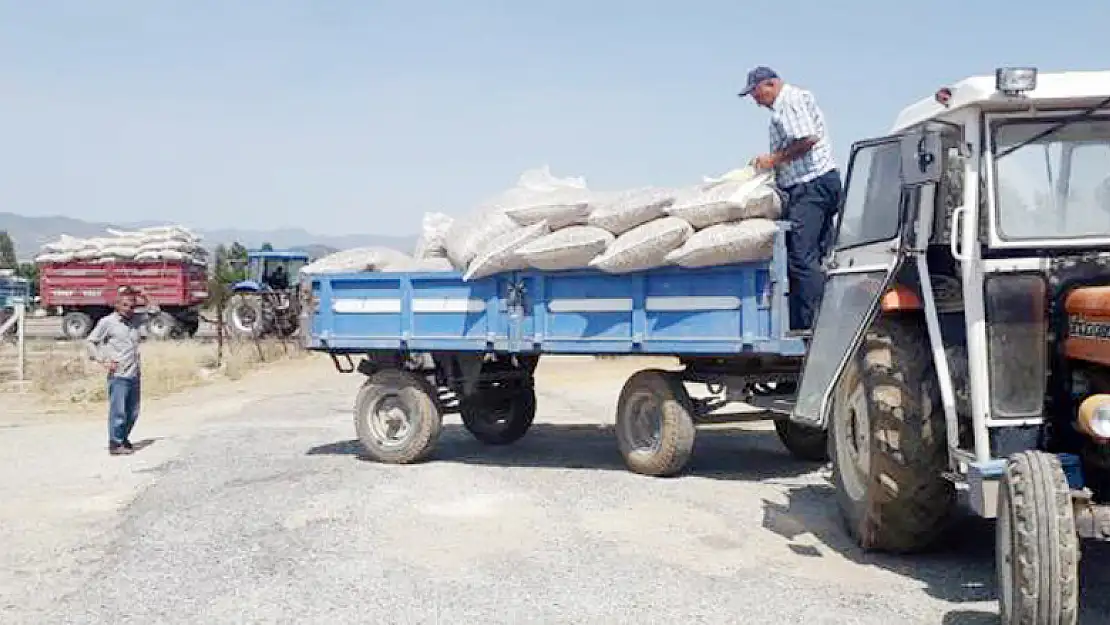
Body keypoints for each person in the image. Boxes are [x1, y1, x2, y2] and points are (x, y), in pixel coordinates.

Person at [739, 66, 843, 333]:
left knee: (801, 257)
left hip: (810, 187)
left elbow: (807, 139)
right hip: (819, 185)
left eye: (755, 92)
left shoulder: (790, 101)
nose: (754, 99)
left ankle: (814, 327)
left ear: (770, 84)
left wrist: (773, 159)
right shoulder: (792, 101)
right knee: (818, 257)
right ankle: (817, 320)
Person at [86, 286, 149, 456]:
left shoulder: (135, 320)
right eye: (126, 305)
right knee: (118, 410)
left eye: (132, 306)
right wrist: (103, 360)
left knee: (133, 411)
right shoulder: (108, 322)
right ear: (117, 305)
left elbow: (155, 311)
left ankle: (124, 438)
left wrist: (142, 295)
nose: (130, 309)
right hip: (119, 374)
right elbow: (91, 341)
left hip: (134, 372)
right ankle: (115, 443)